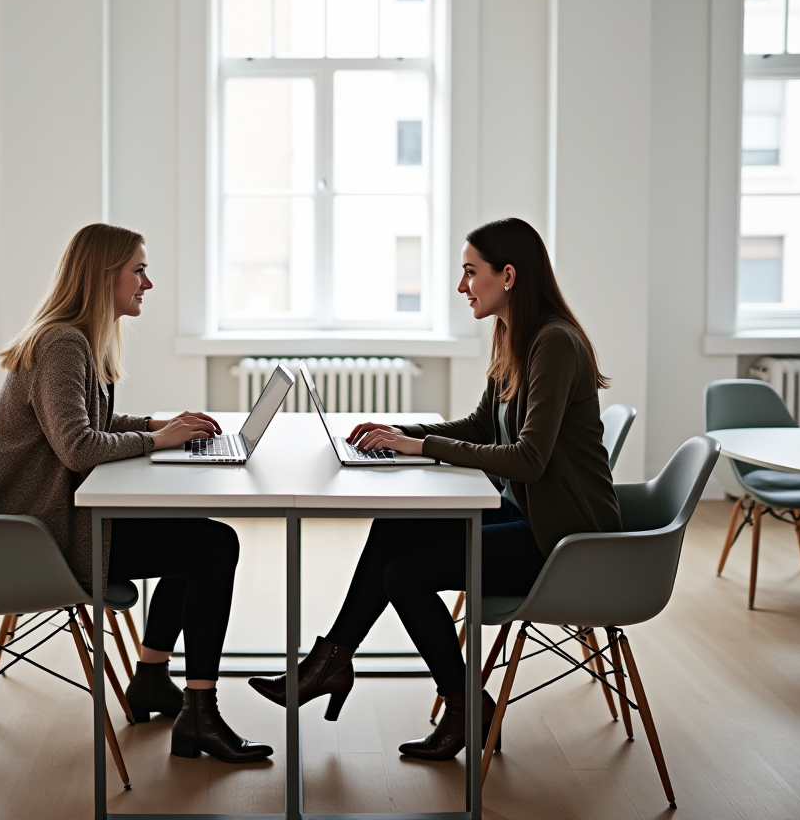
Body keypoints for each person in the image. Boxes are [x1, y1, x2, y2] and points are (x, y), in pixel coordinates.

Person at [249, 217, 621, 760]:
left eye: (471, 272)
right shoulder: (513, 335)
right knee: (395, 527)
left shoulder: (555, 344)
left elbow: (529, 459)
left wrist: (419, 448)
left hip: (566, 540)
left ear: (509, 275)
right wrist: (401, 435)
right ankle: (329, 662)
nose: (461, 285)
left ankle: (462, 705)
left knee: (406, 574)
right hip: (525, 513)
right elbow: (478, 426)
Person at [0, 223, 272, 764]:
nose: (147, 284)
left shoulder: (72, 338)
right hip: (39, 539)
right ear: (104, 275)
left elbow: (91, 422)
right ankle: (198, 715)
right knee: (213, 547)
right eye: (139, 270)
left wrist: (161, 424)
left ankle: (154, 681)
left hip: (42, 523)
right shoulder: (62, 343)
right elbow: (80, 448)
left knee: (198, 541)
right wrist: (159, 439)